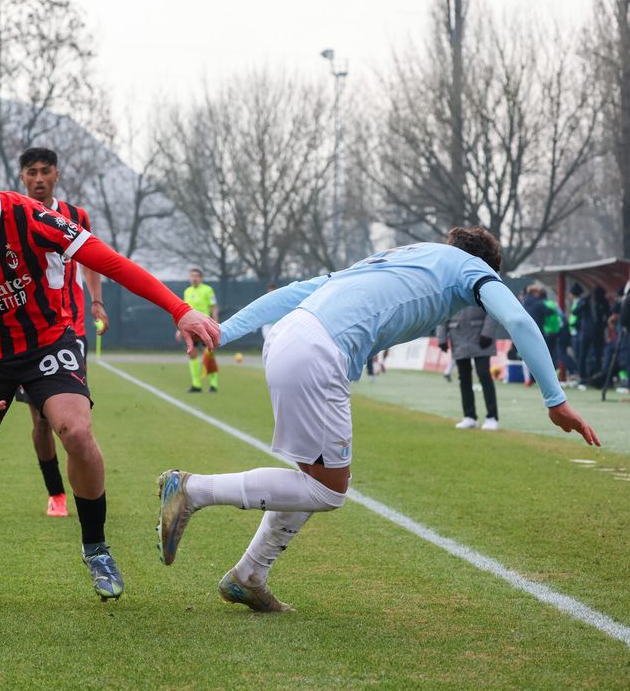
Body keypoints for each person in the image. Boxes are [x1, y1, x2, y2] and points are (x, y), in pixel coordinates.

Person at [157, 227, 598, 613]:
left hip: (292, 337)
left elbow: (294, 291)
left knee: (312, 476)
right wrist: (555, 399)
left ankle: (249, 576)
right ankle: (192, 491)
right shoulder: (472, 270)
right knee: (327, 491)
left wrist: (222, 330)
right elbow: (518, 318)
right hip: (318, 351)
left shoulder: (401, 256)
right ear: (486, 265)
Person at [0, 145, 218, 604]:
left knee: (75, 432)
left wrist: (179, 309)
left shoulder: (31, 218)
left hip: (47, 341)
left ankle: (96, 547)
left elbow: (112, 263)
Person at [15, 147, 109, 518]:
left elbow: (90, 258)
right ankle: (55, 492)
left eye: (45, 171)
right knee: (40, 417)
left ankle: (85, 488)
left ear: (56, 174)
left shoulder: (75, 216)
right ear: (23, 177)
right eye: (32, 172)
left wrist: (97, 301)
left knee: (74, 418)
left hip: (72, 329)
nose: (39, 179)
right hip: (30, 334)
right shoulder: (11, 214)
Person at [437, 305, 499, 430]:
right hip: (458, 338)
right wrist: (441, 338)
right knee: (464, 378)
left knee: (484, 375)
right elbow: (442, 313)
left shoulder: (480, 288)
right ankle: (469, 416)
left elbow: (493, 311)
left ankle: (492, 417)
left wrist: (487, 333)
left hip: (481, 338)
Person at [182, 268, 220, 392]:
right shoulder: (187, 291)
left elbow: (213, 308)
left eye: (197, 276)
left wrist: (215, 324)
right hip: (191, 329)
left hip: (205, 326)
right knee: (192, 353)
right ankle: (196, 384)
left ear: (201, 278)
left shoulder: (207, 290)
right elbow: (183, 312)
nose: (194, 278)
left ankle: (213, 384)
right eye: (192, 276)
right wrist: (179, 329)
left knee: (208, 354)